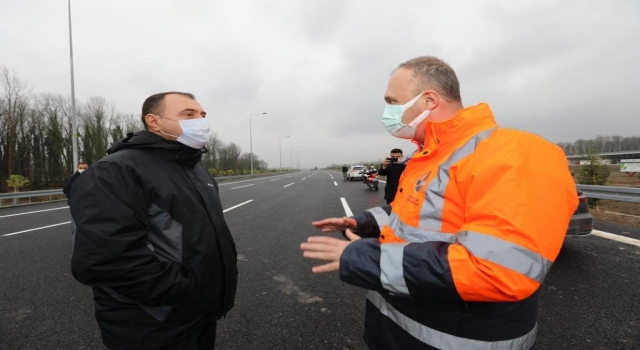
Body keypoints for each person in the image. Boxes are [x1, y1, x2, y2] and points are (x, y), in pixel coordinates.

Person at [301, 56, 577, 350]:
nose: (387, 112)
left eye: (393, 101)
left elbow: (496, 270)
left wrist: (363, 258)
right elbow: (415, 214)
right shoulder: (429, 156)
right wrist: (363, 223)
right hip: (396, 332)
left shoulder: (513, 154)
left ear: (428, 100)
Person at [69, 92, 238, 350]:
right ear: (154, 121)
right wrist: (183, 290)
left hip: (198, 313)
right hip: (153, 321)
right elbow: (103, 258)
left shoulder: (194, 169)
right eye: (188, 114)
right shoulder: (117, 170)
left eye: (202, 114)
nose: (201, 121)